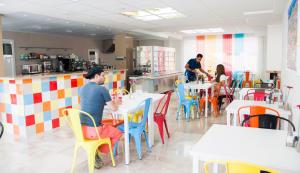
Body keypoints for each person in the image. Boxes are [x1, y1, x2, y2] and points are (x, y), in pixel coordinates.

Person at [79, 66, 122, 169]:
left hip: (81, 130)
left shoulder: (82, 88)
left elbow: (93, 102)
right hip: (95, 131)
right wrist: (116, 102)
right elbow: (114, 109)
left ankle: (95, 151)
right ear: (97, 76)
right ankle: (99, 150)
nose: (105, 78)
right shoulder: (102, 89)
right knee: (118, 132)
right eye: (103, 76)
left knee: (105, 125)